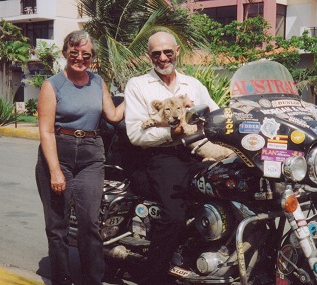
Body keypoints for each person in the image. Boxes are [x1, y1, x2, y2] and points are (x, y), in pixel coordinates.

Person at [124, 31, 219, 284]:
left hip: (197, 150)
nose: (163, 58)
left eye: (168, 52)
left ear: (177, 51)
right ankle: (153, 276)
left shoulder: (192, 85)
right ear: (149, 56)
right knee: (175, 214)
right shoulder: (139, 85)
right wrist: (172, 132)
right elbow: (135, 133)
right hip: (161, 156)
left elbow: (216, 113)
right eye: (156, 53)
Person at [35, 30, 125, 285]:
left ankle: (92, 280)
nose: (79, 58)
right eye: (74, 53)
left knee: (90, 223)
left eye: (86, 54)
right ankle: (62, 280)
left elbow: (114, 115)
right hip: (58, 152)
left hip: (91, 153)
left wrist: (135, 95)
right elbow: (46, 130)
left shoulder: (98, 82)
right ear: (65, 53)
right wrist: (55, 170)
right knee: (57, 225)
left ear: (92, 57)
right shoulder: (52, 85)